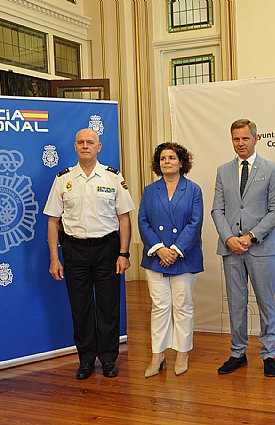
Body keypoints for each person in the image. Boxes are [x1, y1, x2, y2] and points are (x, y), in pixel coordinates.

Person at [44, 128, 135, 380]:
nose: (86, 146)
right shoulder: (63, 179)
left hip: (107, 249)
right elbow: (53, 221)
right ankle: (85, 359)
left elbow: (124, 218)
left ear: (99, 147)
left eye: (90, 142)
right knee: (80, 307)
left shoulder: (112, 177)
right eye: (81, 142)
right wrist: (54, 258)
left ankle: (108, 359)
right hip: (75, 250)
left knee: (108, 307)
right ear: (75, 147)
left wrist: (123, 253)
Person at [211, 118, 275, 378]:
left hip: (260, 248)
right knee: (236, 303)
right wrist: (229, 238)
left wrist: (250, 237)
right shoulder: (223, 171)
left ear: (256, 138)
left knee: (266, 302)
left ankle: (268, 354)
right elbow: (217, 209)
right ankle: (238, 353)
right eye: (236, 139)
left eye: (245, 138)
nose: (240, 143)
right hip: (231, 248)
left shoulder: (271, 168)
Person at [138, 142, 203, 377]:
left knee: (182, 305)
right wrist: (159, 250)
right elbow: (143, 222)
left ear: (181, 162)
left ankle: (183, 352)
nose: (167, 161)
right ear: (158, 163)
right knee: (160, 306)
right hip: (156, 258)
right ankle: (158, 354)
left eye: (172, 157)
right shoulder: (149, 190)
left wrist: (174, 250)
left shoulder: (193, 190)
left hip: (184, 257)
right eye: (163, 158)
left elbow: (195, 223)